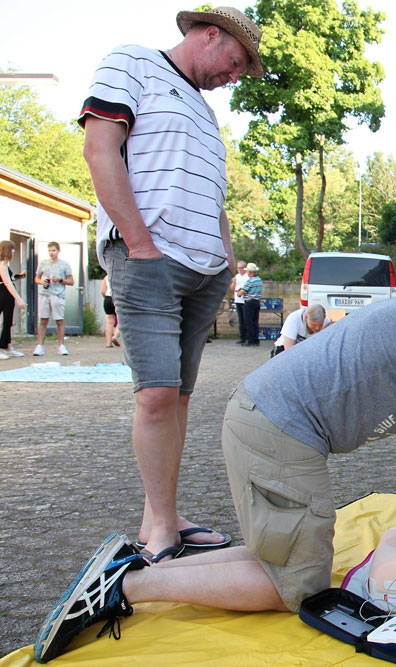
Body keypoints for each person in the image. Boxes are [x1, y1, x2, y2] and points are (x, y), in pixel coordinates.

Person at [34, 288, 396, 663]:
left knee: (275, 559)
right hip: (276, 431)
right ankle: (126, 590)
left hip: (267, 421)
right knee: (296, 588)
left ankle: (129, 570)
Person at [79, 6, 264, 563]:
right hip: (150, 262)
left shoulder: (205, 114)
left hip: (203, 273)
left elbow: (213, 197)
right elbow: (99, 149)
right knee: (156, 395)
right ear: (211, 35)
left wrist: (227, 261)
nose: (233, 77)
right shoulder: (131, 63)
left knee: (178, 398)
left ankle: (163, 516)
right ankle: (159, 533)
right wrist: (138, 245)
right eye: (234, 63)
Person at [33, 241, 73, 357]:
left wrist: (60, 280)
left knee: (59, 320)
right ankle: (40, 345)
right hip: (45, 294)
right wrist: (42, 282)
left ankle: (61, 345)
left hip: (58, 295)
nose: (51, 253)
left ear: (58, 251)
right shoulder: (43, 263)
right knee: (43, 319)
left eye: (54, 250)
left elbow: (71, 281)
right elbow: (37, 278)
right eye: (49, 250)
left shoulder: (64, 264)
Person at [0, 240, 27, 359]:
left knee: (8, 321)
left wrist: (19, 276)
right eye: (12, 249)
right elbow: (7, 283)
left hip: (5, 292)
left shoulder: (5, 265)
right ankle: (5, 346)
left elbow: (9, 279)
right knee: (6, 321)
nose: (13, 251)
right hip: (5, 294)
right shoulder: (3, 264)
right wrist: (19, 299)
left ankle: (8, 346)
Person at [237, 262, 262, 347]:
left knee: (249, 322)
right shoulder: (259, 280)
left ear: (250, 272)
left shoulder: (250, 281)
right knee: (255, 322)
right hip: (257, 302)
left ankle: (250, 340)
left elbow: (240, 293)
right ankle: (256, 340)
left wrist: (239, 291)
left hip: (249, 302)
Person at [101, 275, 121, 348]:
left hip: (108, 298)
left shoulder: (106, 277)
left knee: (109, 322)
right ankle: (115, 336)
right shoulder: (120, 276)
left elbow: (103, 291)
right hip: (117, 298)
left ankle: (108, 343)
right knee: (121, 320)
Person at [231, 260, 248, 345]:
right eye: (238, 268)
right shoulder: (237, 276)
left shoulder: (247, 276)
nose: (239, 269)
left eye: (241, 268)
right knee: (240, 320)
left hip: (245, 300)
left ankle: (248, 337)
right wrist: (234, 282)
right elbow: (232, 289)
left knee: (246, 320)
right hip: (238, 300)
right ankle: (242, 338)